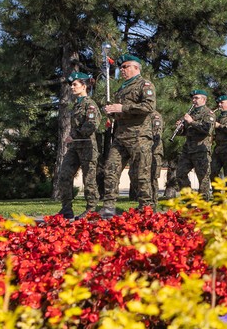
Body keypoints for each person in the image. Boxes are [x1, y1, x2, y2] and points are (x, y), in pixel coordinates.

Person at [100, 54, 156, 218]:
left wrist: (122, 108)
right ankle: (109, 207)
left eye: (125, 67)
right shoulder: (122, 88)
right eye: (120, 68)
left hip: (139, 136)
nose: (121, 70)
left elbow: (148, 107)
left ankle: (146, 210)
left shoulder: (144, 84)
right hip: (120, 137)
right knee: (110, 169)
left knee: (141, 174)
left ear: (136, 67)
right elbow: (120, 112)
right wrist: (111, 112)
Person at [57, 72, 100, 219]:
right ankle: (66, 208)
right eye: (71, 84)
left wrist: (73, 136)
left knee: (88, 179)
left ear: (84, 86)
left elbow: (92, 125)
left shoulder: (90, 104)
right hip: (75, 147)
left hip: (87, 146)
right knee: (64, 174)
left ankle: (92, 210)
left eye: (75, 84)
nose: (72, 87)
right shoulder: (76, 105)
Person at [173, 90, 215, 200]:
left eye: (196, 98)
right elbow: (186, 132)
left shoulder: (208, 113)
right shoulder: (190, 113)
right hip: (188, 149)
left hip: (201, 149)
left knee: (203, 178)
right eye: (193, 98)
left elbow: (207, 130)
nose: (194, 100)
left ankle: (203, 204)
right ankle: (188, 200)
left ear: (204, 99)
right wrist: (180, 128)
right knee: (180, 174)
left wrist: (191, 122)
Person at [149, 111, 164, 205]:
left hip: (154, 151)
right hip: (144, 150)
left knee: (153, 176)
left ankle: (154, 201)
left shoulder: (155, 116)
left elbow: (157, 134)